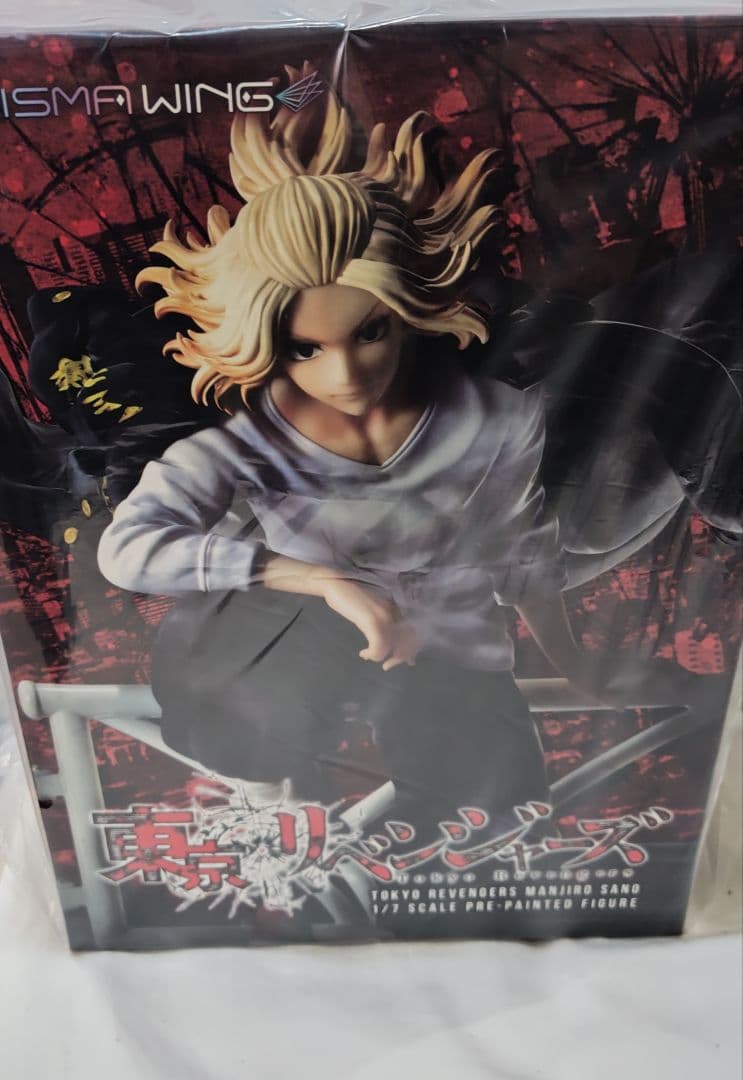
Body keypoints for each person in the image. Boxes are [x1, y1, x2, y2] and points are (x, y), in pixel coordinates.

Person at [95, 67, 679, 823]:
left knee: (496, 834)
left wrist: (573, 663)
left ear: (408, 311)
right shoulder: (247, 446)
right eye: (305, 348)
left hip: (453, 661)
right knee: (262, 716)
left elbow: (521, 553)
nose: (344, 375)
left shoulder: (498, 419)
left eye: (370, 331)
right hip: (305, 659)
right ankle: (279, 807)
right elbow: (128, 550)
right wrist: (319, 580)